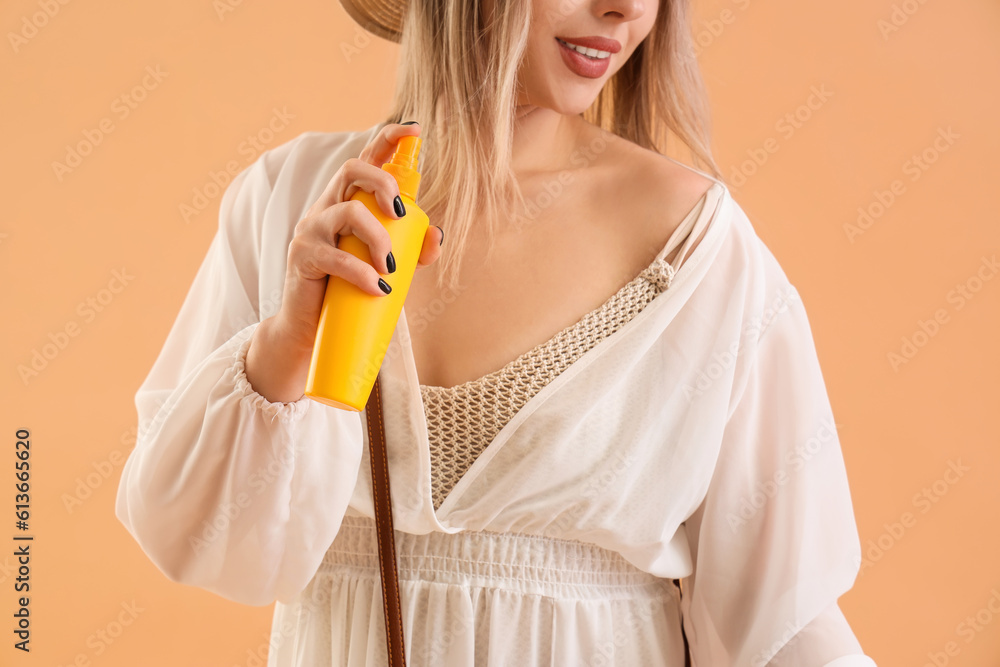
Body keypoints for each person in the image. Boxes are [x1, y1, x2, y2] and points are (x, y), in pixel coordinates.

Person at [115, 0, 878, 665]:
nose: (625, 8)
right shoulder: (293, 202)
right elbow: (200, 542)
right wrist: (286, 341)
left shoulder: (699, 251)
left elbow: (782, 623)